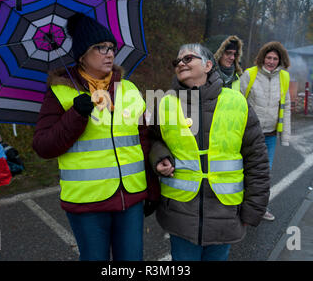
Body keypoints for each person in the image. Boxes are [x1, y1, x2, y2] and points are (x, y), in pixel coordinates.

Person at [32, 13, 159, 261]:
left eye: (111, 48)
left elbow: (145, 139)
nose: (109, 53)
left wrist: (151, 188)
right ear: (82, 54)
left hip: (130, 198)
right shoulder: (60, 92)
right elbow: (44, 146)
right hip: (87, 203)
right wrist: (76, 115)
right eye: (100, 47)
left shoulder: (129, 88)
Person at [149, 43, 270, 261]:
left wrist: (254, 209)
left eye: (188, 59)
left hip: (226, 213)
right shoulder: (164, 103)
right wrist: (160, 157)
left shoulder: (236, 102)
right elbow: (153, 140)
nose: (180, 64)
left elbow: (257, 159)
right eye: (177, 61)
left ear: (207, 65)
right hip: (180, 214)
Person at [240, 41, 291, 222]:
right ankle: (239, 205)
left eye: (275, 58)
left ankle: (259, 209)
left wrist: (284, 136)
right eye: (268, 57)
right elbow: (238, 102)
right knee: (244, 169)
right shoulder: (249, 74)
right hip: (249, 134)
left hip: (269, 136)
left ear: (280, 60)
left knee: (264, 174)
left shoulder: (284, 77)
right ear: (262, 57)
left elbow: (286, 107)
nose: (271, 61)